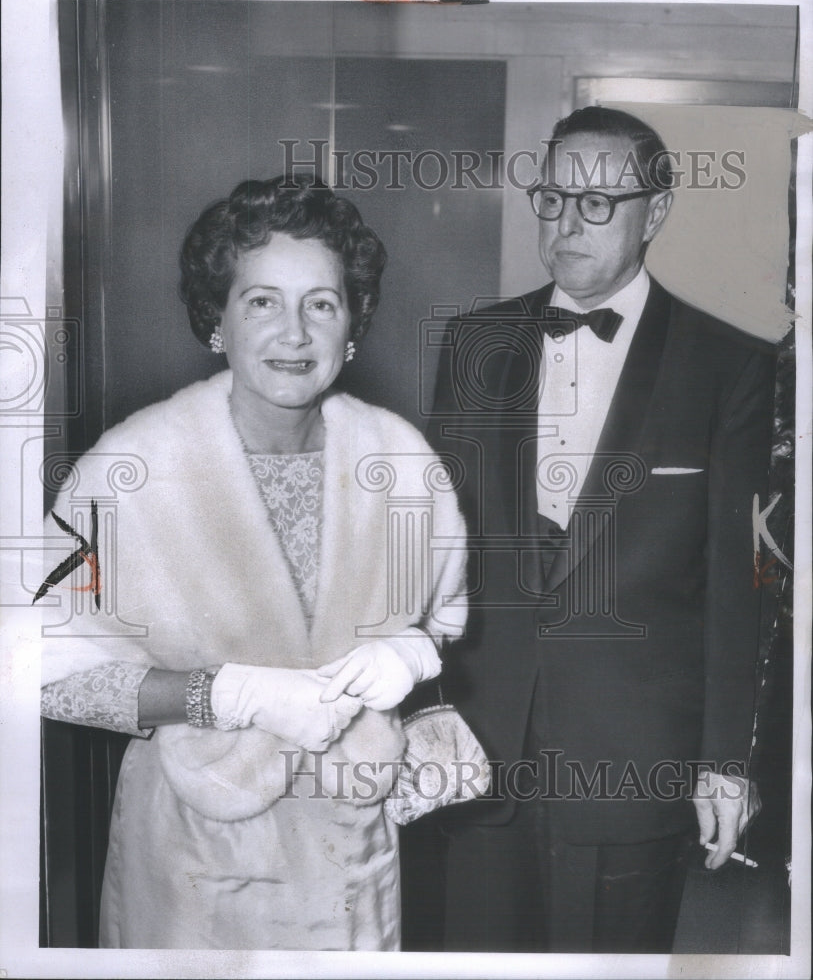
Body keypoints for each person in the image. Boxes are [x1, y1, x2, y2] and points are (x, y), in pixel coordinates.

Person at [37, 175, 467, 950]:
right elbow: (42, 673)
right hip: (193, 866)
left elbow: (442, 618)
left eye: (322, 304)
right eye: (261, 301)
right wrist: (227, 694)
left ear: (352, 326)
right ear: (216, 321)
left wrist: (415, 650)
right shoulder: (133, 466)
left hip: (348, 855)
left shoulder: (400, 459)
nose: (294, 333)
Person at [425, 107, 775, 952]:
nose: (566, 225)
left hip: (634, 760)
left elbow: (738, 587)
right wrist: (420, 710)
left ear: (653, 213)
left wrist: (724, 761)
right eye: (552, 199)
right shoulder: (473, 344)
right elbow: (430, 556)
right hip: (477, 751)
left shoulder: (733, 367)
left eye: (597, 204)